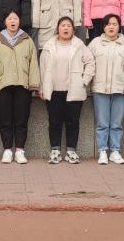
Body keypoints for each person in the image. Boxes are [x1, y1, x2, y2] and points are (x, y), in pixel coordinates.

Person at [0, 10, 41, 164]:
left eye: (15, 18)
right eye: (9, 18)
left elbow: (33, 63)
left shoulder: (27, 40)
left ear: (19, 21)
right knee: (5, 120)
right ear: (5, 22)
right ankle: (7, 150)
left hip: (23, 85)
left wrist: (34, 84)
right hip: (2, 85)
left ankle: (20, 150)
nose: (12, 21)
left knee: (21, 120)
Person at [38, 17, 95, 164]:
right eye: (63, 25)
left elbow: (90, 62)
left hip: (74, 90)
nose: (66, 28)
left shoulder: (79, 45)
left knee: (73, 122)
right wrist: (42, 87)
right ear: (58, 29)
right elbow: (42, 68)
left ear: (73, 30)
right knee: (54, 122)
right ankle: (55, 151)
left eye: (69, 26)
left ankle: (71, 151)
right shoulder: (49, 46)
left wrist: (84, 81)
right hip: (54, 90)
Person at [88, 14, 124, 165]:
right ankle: (102, 151)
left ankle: (115, 151)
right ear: (103, 27)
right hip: (100, 89)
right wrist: (86, 84)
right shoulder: (95, 43)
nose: (111, 27)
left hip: (119, 89)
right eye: (108, 24)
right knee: (102, 123)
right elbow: (88, 64)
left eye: (114, 24)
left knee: (116, 123)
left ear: (119, 27)